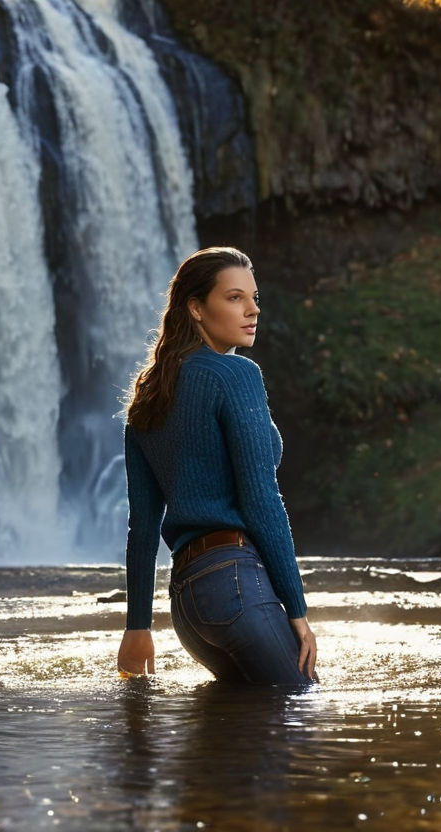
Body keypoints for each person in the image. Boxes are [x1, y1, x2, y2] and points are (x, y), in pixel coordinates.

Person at [116, 246, 318, 686]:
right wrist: (297, 610)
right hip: (235, 584)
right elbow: (263, 499)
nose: (252, 310)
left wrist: (138, 627)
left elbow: (143, 527)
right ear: (196, 308)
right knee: (301, 711)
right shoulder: (236, 375)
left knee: (238, 729)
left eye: (254, 297)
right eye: (234, 298)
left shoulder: (147, 399)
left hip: (190, 607)